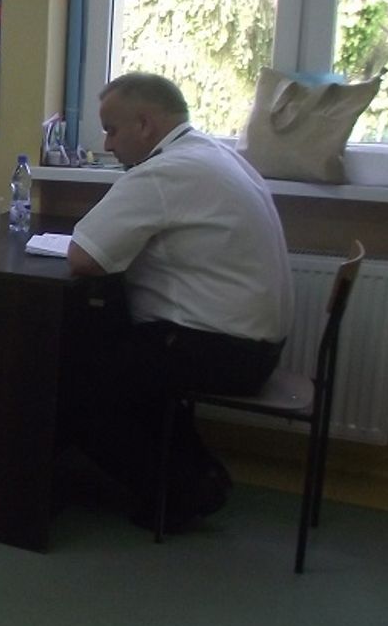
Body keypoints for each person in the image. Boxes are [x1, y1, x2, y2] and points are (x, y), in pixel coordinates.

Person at [67, 72, 294, 531]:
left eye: (111, 130)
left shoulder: (163, 171)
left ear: (144, 125)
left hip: (218, 349)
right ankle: (196, 474)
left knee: (73, 380)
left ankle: (184, 492)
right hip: (251, 347)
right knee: (118, 351)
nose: (107, 145)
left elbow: (83, 256)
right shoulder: (212, 153)